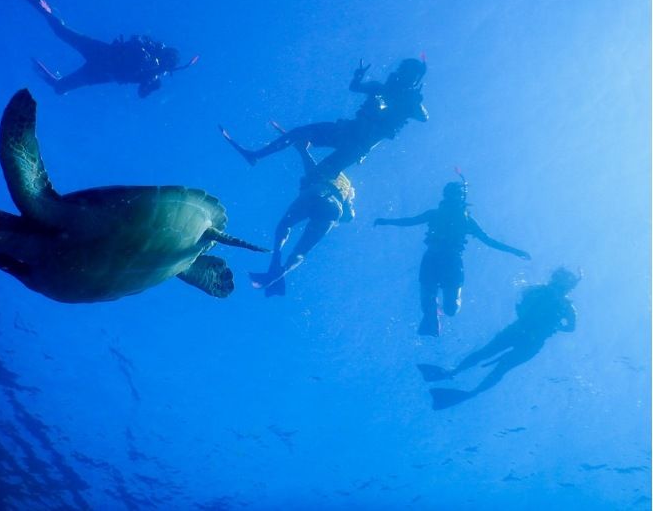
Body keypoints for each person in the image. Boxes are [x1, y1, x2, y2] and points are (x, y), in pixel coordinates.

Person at [220, 58, 428, 182]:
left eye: (408, 72)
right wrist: (357, 76)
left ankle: (295, 156)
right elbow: (355, 87)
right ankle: (256, 155)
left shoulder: (409, 100)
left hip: (358, 146)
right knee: (298, 132)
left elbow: (423, 117)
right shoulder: (381, 88)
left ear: (414, 79)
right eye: (402, 69)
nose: (401, 73)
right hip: (347, 131)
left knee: (316, 178)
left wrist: (415, 100)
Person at [373, 176, 531, 336]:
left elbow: (488, 240)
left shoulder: (467, 220)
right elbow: (410, 221)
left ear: (462, 197)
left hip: (452, 262)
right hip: (431, 259)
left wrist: (515, 251)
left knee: (451, 310)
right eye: (450, 195)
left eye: (456, 195)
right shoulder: (435, 214)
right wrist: (387, 221)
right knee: (427, 305)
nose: (453, 198)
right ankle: (432, 310)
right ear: (445, 196)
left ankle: (437, 308)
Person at [7, 0, 197, 98]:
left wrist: (151, 86)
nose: (166, 63)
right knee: (61, 32)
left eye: (170, 63)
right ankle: (40, 4)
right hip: (103, 55)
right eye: (168, 59)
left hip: (102, 73)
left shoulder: (154, 74)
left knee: (60, 87)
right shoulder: (149, 51)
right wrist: (146, 62)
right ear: (165, 54)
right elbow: (134, 42)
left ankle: (55, 78)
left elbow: (141, 94)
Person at [417, 267, 580, 409]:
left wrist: (545, 323)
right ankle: (462, 382)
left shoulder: (544, 294)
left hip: (520, 334)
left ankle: (456, 376)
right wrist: (553, 326)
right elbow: (569, 327)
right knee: (496, 362)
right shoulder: (564, 305)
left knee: (493, 359)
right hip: (529, 339)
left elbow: (521, 304)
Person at [248, 122, 356, 296]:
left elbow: (311, 168)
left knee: (285, 225)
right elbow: (349, 217)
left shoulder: (329, 169)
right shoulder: (347, 187)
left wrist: (302, 148)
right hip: (333, 209)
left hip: (318, 192)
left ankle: (276, 259)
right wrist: (301, 148)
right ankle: (280, 274)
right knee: (301, 251)